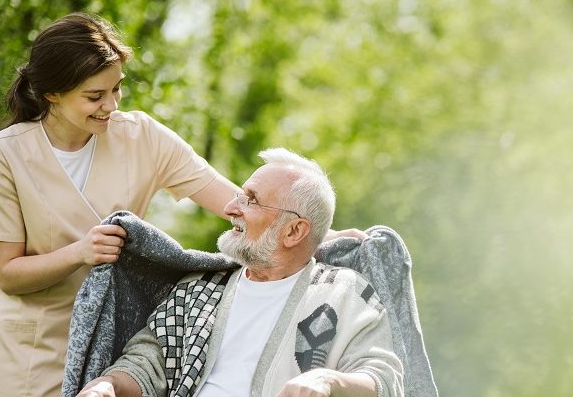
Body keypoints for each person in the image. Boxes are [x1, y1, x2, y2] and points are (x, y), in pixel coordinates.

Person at [0, 13, 360, 396]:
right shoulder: (4, 154)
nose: (112, 105)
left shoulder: (142, 137)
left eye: (116, 88)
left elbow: (235, 202)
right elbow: (8, 274)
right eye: (94, 96)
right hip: (32, 351)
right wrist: (80, 252)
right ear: (52, 93)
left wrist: (321, 233)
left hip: (115, 339)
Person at [76, 148, 403, 397]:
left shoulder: (345, 294)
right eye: (239, 195)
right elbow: (143, 365)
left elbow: (384, 378)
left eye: (251, 200)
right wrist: (106, 387)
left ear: (293, 232)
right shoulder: (199, 290)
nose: (231, 208)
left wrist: (329, 380)